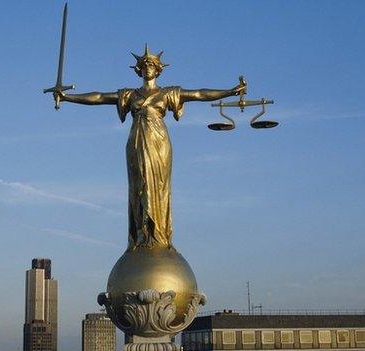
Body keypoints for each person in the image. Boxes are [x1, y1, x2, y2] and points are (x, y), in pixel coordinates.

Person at [53, 45, 245, 250]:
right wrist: (68, 97)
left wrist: (231, 92)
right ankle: (141, 234)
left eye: (151, 65)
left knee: (159, 185)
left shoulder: (168, 93)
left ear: (158, 69)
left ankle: (159, 235)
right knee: (139, 184)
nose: (148, 68)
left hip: (159, 141)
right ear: (139, 70)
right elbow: (99, 97)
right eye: (144, 65)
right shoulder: (129, 94)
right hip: (137, 140)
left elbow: (199, 94)